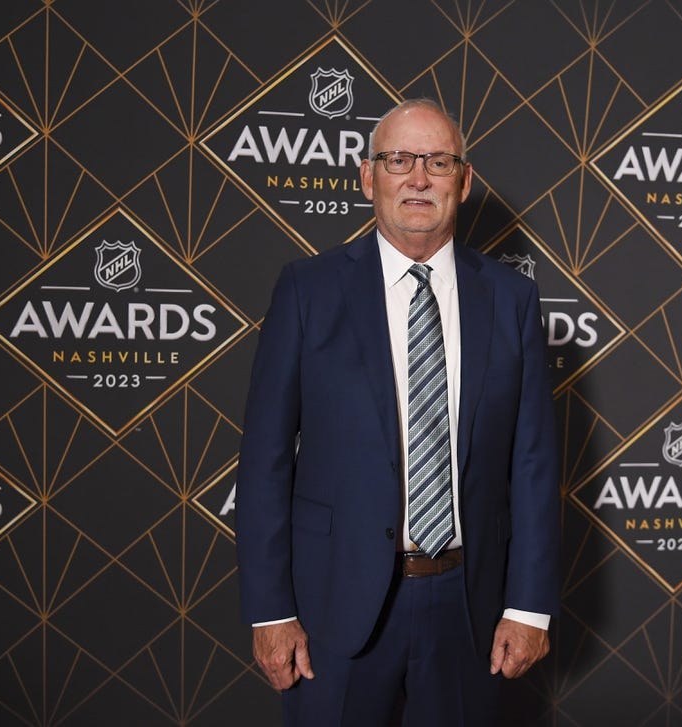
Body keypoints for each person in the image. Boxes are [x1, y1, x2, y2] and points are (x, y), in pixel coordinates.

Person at [235, 98, 561, 726]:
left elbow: (534, 464)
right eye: (399, 160)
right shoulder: (308, 290)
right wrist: (271, 612)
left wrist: (529, 607)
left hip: (470, 610)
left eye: (438, 162)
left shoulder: (511, 298)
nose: (418, 178)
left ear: (462, 182)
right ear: (368, 177)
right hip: (335, 610)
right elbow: (265, 462)